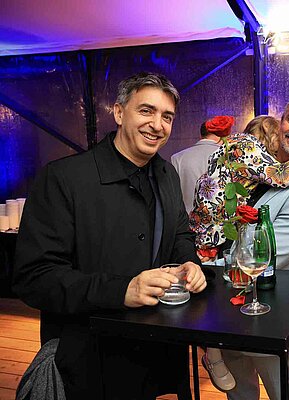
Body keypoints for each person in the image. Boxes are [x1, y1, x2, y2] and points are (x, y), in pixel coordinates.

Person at [12, 72, 212, 400]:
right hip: (88, 357)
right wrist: (123, 290)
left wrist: (189, 263)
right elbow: (34, 278)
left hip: (156, 350)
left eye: (167, 116)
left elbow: (180, 234)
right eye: (146, 111)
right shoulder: (63, 178)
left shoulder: (166, 174)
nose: (157, 125)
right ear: (119, 113)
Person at [220, 94, 289, 400]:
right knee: (239, 394)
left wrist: (207, 265)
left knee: (285, 395)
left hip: (270, 317)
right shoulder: (263, 170)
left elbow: (262, 257)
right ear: (280, 123)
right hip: (230, 311)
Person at [190, 115, 289, 258]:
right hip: (213, 234)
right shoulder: (249, 150)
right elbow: (280, 177)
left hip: (201, 228)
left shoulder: (233, 143)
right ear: (272, 138)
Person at [170, 116, 230, 214]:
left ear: (201, 135)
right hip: (221, 219)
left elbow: (173, 196)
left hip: (187, 218)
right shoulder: (229, 157)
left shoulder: (177, 158)